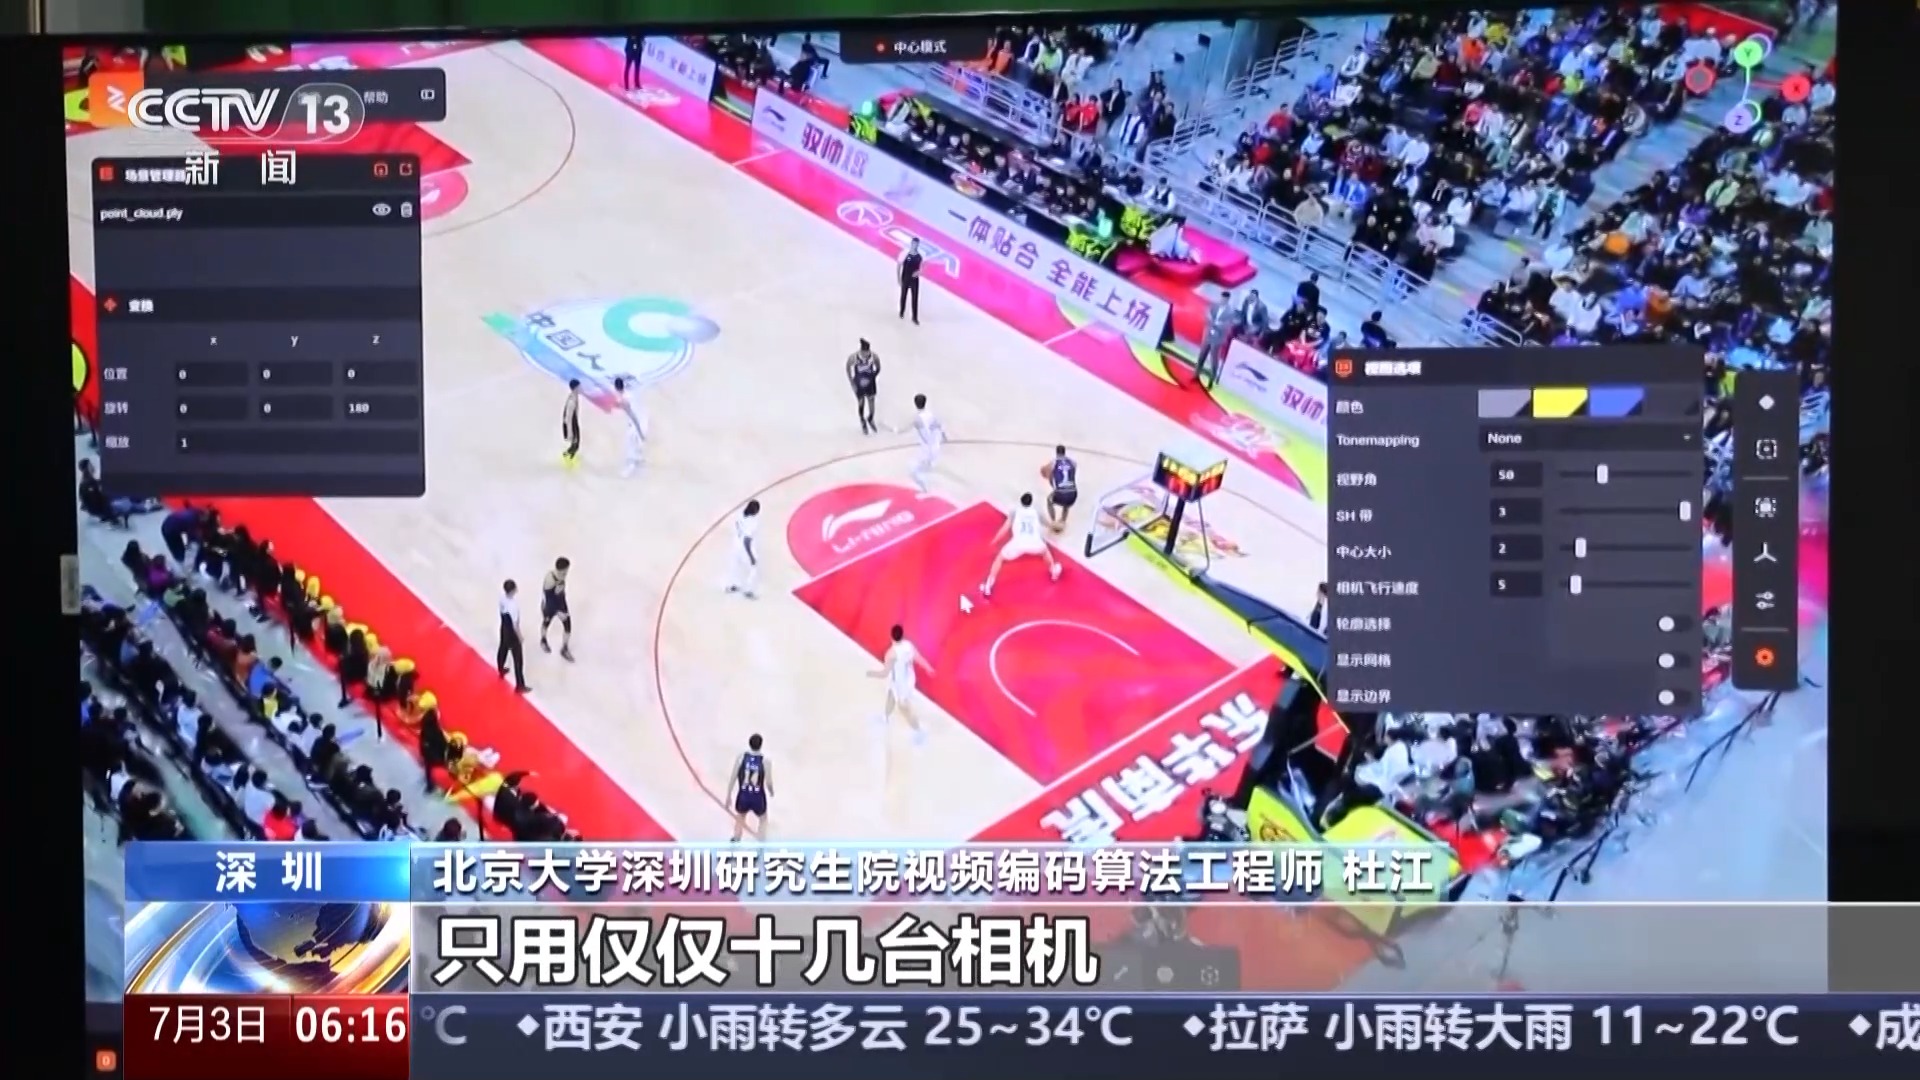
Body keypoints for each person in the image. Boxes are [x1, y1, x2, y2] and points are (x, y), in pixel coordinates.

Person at [980, 493, 1063, 598]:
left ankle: (988, 586)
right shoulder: (1037, 511)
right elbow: (1048, 525)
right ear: (1031, 502)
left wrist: (995, 540)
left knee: (999, 559)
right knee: (1045, 551)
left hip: (1018, 544)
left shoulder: (1015, 511)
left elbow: (1005, 528)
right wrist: (1056, 526)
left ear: (1021, 501)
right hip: (1035, 543)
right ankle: (1054, 571)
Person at [869, 623, 929, 741]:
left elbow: (885, 672)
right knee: (891, 696)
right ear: (902, 635)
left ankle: (919, 731)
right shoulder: (908, 645)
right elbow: (918, 657)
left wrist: (872, 674)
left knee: (904, 707)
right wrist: (928, 667)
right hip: (908, 678)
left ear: (891, 636)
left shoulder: (890, 654)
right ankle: (885, 717)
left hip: (900, 683)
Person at [726, 733, 773, 841]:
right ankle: (761, 841)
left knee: (740, 817)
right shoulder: (765, 760)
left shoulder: (742, 757)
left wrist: (728, 795)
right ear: (761, 745)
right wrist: (771, 791)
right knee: (763, 819)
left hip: (743, 794)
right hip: (758, 796)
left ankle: (736, 838)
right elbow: (768, 781)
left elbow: (733, 776)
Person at [496, 579, 530, 693]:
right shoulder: (513, 606)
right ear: (513, 590)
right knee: (518, 660)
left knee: (503, 648)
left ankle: (501, 668)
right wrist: (520, 637)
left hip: (504, 628)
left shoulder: (502, 598)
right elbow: (515, 625)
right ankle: (520, 685)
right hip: (512, 633)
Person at [908, 393, 945, 494]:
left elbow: (922, 434)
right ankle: (928, 470)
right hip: (935, 447)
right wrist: (944, 436)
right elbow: (939, 426)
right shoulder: (930, 415)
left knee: (912, 469)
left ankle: (924, 488)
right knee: (926, 466)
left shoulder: (917, 419)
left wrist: (896, 430)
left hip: (926, 449)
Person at [726, 500, 762, 600]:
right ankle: (748, 590)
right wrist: (751, 556)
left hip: (736, 543)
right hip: (744, 547)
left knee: (736, 565)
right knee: (753, 567)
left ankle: (733, 585)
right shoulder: (753, 522)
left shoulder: (740, 514)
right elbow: (747, 540)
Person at [539, 557, 573, 661]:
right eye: (565, 570)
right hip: (550, 606)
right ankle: (543, 640)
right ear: (561, 570)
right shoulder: (550, 580)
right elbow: (549, 598)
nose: (567, 573)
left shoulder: (561, 575)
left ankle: (564, 648)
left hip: (560, 602)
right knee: (546, 622)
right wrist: (558, 611)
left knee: (568, 625)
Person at [612, 377, 646, 477]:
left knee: (631, 446)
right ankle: (638, 464)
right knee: (636, 446)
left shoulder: (624, 399)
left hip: (635, 423)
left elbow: (632, 415)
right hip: (641, 419)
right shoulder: (628, 395)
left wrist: (639, 431)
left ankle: (630, 470)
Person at [847, 339, 881, 435]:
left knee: (871, 401)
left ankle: (870, 417)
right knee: (861, 402)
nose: (866, 354)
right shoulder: (854, 357)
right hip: (859, 383)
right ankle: (862, 420)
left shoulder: (874, 356)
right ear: (861, 350)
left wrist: (874, 376)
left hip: (870, 382)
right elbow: (848, 368)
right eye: (864, 352)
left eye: (867, 352)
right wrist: (851, 381)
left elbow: (878, 367)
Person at [1044, 445, 1078, 534]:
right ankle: (1063, 521)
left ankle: (1053, 521)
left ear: (1057, 452)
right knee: (1066, 504)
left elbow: (1047, 472)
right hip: (1073, 492)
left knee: (1049, 501)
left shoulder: (1054, 462)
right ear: (1064, 452)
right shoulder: (1072, 462)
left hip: (1060, 493)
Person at [897, 238, 924, 323]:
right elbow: (899, 266)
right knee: (903, 296)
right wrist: (899, 278)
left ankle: (914, 317)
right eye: (914, 244)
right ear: (912, 243)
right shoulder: (905, 254)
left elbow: (921, 268)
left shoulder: (920, 256)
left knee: (915, 298)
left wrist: (918, 272)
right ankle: (902, 312)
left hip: (914, 279)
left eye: (917, 244)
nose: (915, 246)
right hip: (905, 277)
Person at [559, 379, 583, 467]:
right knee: (575, 445)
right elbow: (568, 418)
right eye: (579, 387)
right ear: (576, 388)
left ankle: (569, 459)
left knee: (576, 444)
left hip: (574, 422)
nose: (581, 388)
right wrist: (570, 432)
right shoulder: (572, 401)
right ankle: (566, 457)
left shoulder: (574, 397)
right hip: (572, 424)